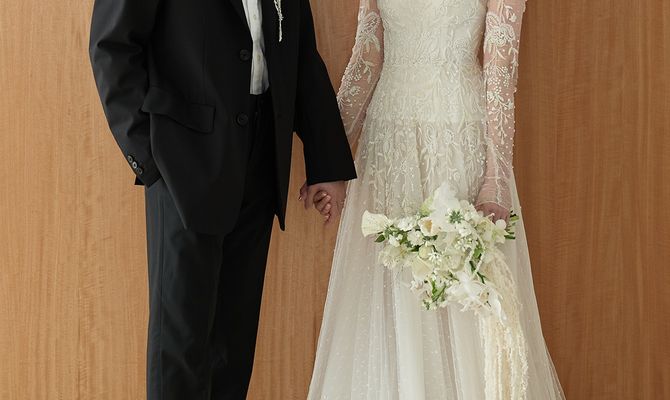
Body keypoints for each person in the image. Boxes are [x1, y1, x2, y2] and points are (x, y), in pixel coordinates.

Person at [88, 0, 356, 398]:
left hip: (262, 158)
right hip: (183, 165)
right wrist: (151, 160)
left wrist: (326, 163)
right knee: (181, 342)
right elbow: (111, 46)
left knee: (234, 343)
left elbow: (299, 52)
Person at [307, 0, 566, 398]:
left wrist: (496, 177)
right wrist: (330, 160)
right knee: (391, 296)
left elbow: (500, 66)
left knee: (461, 297)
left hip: (457, 146)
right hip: (388, 148)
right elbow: (368, 54)